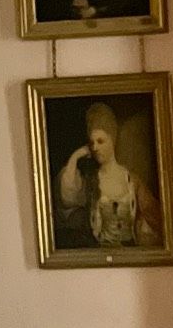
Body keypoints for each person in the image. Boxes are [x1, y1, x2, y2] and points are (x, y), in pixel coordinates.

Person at [55, 102, 163, 251]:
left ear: (112, 140)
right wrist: (75, 156)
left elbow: (155, 217)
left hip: (132, 257)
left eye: (100, 141)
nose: (95, 148)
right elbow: (67, 197)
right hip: (100, 257)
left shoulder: (132, 180)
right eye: (92, 143)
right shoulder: (90, 181)